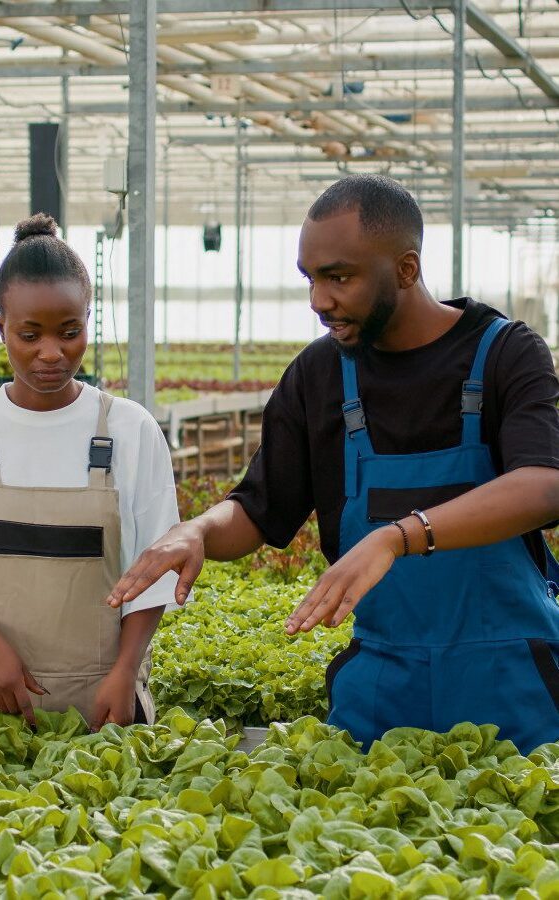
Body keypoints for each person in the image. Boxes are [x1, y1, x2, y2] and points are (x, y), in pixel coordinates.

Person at [107, 174, 559, 755]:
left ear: (406, 269)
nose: (319, 300)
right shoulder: (318, 376)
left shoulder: (505, 353)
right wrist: (197, 530)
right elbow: (260, 508)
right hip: (383, 691)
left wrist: (398, 538)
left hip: (512, 684)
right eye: (311, 278)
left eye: (339, 276)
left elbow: (543, 484)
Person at [0, 213, 181, 739]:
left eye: (70, 332)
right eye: (29, 334)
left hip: (107, 703)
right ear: (0, 326)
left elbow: (154, 570)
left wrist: (125, 672)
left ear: (89, 319)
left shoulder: (130, 429)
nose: (51, 353)